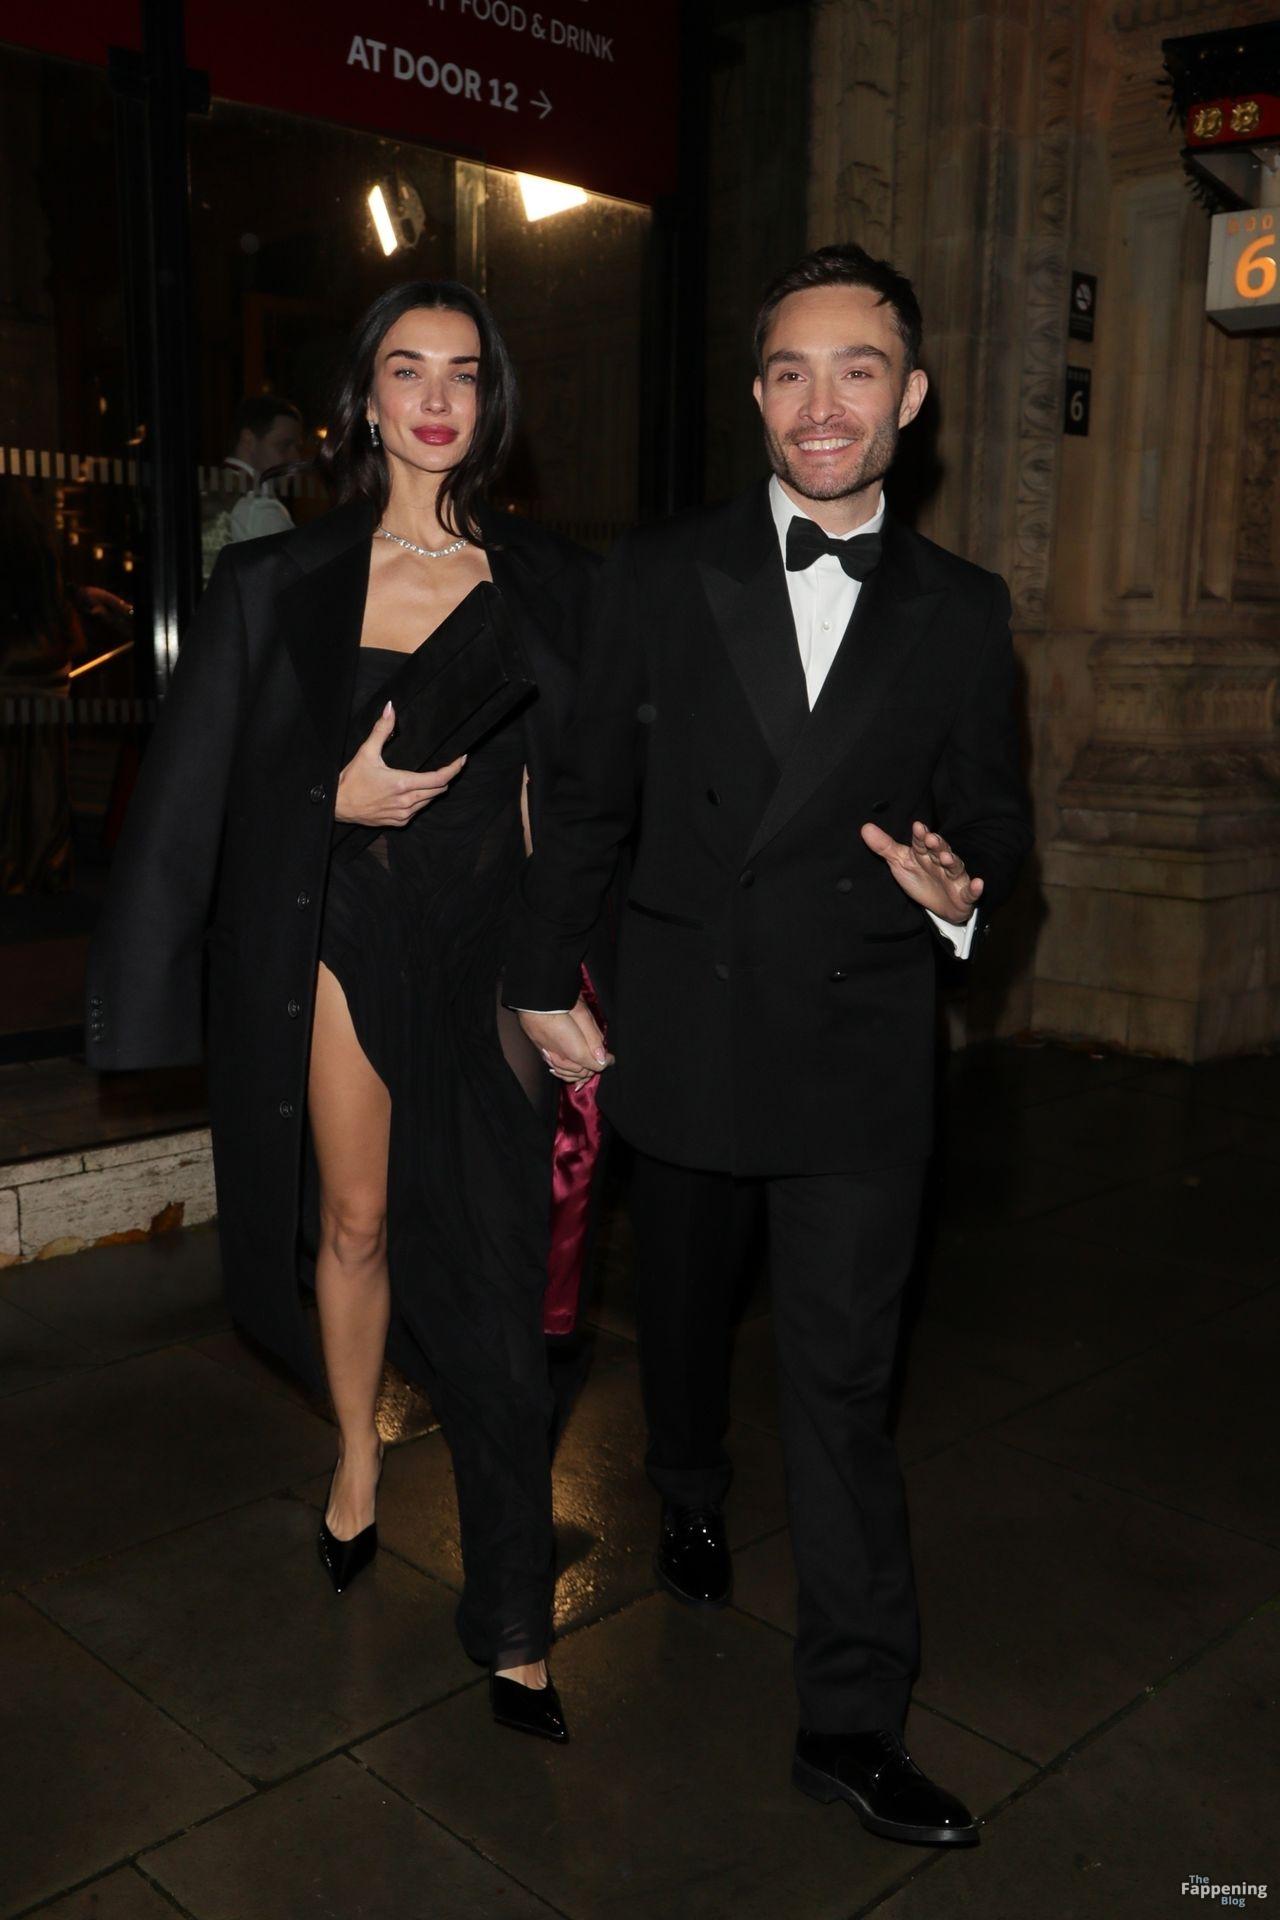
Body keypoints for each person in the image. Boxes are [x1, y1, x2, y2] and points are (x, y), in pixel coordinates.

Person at [505, 243, 1032, 1841]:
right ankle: (684, 1487)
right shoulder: (660, 572)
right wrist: (539, 976)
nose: (822, 403)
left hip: (859, 1045)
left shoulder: (961, 611)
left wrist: (964, 892)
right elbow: (588, 796)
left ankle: (852, 1722)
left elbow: (995, 822)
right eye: (792, 370)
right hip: (685, 1018)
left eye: (858, 369)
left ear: (911, 397)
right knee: (678, 1300)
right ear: (755, 394)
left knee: (843, 1393)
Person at [86, 280, 604, 1745]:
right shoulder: (282, 580)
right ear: (364, 401)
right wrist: (334, 798)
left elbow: (574, 795)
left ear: (490, 401)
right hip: (341, 931)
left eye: (462, 373)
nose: (435, 398)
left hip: (489, 948)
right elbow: (203, 802)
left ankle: (514, 1622)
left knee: (498, 1267)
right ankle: (361, 1460)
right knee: (359, 1222)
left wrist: (563, 972)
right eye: (405, 371)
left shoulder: (549, 579)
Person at [200, 394, 305, 580]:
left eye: (297, 448)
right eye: (284, 446)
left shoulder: (207, 488)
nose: (295, 458)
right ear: (248, 439)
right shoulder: (258, 504)